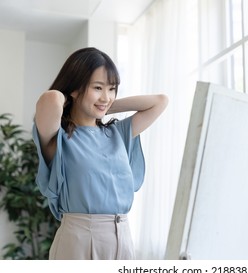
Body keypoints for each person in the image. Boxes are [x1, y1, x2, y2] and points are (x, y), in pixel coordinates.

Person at [32, 47, 168, 260]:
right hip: (79, 238)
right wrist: (76, 99)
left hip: (122, 236)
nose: (106, 96)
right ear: (75, 88)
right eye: (97, 87)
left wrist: (103, 106)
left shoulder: (117, 133)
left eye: (112, 89)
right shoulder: (59, 138)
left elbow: (160, 101)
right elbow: (50, 99)